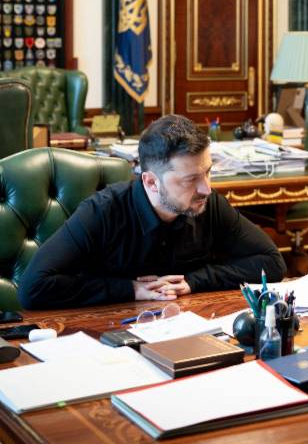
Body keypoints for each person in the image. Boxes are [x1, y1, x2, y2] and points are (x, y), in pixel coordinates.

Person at [19, 114, 287, 309]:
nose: (206, 188)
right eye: (191, 179)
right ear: (150, 182)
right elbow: (33, 288)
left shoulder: (209, 205)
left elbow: (273, 263)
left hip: (188, 326)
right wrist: (130, 289)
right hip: (108, 336)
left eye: (207, 172)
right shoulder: (102, 212)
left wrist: (195, 281)